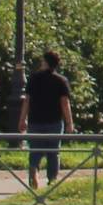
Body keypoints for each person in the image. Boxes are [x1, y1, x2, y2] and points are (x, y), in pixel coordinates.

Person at [25, 51, 71, 182]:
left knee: (34, 150)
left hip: (35, 120)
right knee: (53, 152)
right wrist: (69, 122)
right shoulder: (61, 80)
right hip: (54, 120)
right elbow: (64, 102)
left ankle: (34, 169)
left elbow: (27, 100)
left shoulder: (33, 78)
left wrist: (23, 119)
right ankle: (52, 179)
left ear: (45, 62)